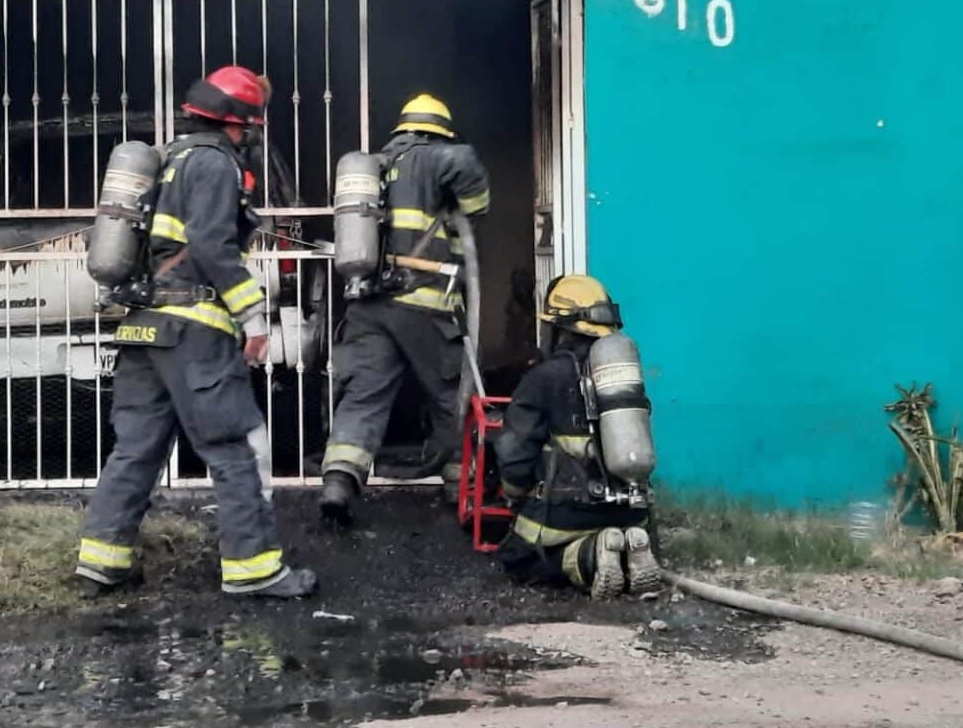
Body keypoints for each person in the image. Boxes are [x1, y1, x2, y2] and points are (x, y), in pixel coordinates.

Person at [76, 65, 317, 599]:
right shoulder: (213, 164)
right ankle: (253, 570)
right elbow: (212, 247)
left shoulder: (166, 160)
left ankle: (100, 563)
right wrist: (253, 318)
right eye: (252, 123)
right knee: (231, 447)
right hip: (193, 331)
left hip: (144, 329)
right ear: (241, 122)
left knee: (135, 449)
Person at [320, 93, 491, 525]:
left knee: (363, 395)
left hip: (369, 303)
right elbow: (467, 166)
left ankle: (339, 480)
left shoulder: (374, 167)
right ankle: (458, 486)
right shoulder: (437, 157)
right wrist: (472, 207)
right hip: (424, 303)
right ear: (438, 132)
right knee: (452, 394)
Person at [493, 274, 659, 599]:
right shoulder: (623, 377)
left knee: (519, 561)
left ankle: (590, 555)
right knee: (621, 530)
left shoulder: (542, 378)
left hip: (565, 515)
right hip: (632, 511)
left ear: (558, 328)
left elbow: (514, 449)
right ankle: (628, 545)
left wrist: (514, 493)